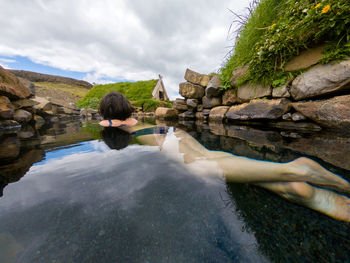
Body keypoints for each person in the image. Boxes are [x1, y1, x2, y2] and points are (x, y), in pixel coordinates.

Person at [98, 91, 350, 221]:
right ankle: (288, 185)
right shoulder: (131, 119)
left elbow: (111, 131)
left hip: (162, 138)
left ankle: (294, 169)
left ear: (108, 113)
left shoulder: (111, 123)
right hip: (173, 132)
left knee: (202, 167)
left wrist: (105, 121)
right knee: (210, 156)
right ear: (126, 107)